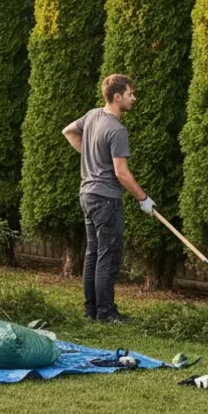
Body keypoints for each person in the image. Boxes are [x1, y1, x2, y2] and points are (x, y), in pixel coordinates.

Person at [62, 74, 154, 323]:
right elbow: (121, 173)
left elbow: (68, 131)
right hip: (105, 199)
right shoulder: (116, 129)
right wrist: (143, 199)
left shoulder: (92, 116)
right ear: (117, 97)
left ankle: (91, 311)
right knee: (107, 255)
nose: (134, 98)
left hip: (87, 195)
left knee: (93, 253)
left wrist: (90, 155)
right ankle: (106, 312)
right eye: (130, 94)